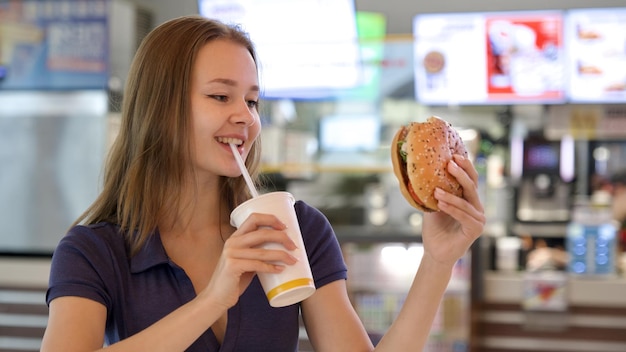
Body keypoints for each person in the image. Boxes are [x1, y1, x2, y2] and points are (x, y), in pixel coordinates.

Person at [41, 15, 485, 352]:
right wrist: (213, 299)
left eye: (252, 100)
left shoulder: (298, 230)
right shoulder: (95, 251)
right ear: (159, 108)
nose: (246, 116)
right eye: (221, 96)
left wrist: (438, 262)